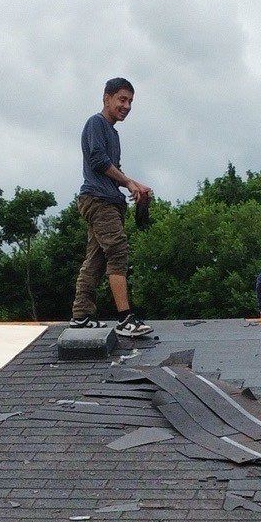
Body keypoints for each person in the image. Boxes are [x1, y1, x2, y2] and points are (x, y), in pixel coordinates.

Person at [70, 78, 154, 338]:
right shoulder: (96, 123)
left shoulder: (113, 133)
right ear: (106, 98)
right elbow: (98, 161)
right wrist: (128, 182)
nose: (126, 106)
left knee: (95, 259)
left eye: (130, 101)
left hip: (107, 199)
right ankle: (125, 319)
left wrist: (135, 185)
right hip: (98, 201)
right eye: (122, 99)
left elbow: (110, 170)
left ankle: (81, 316)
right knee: (118, 251)